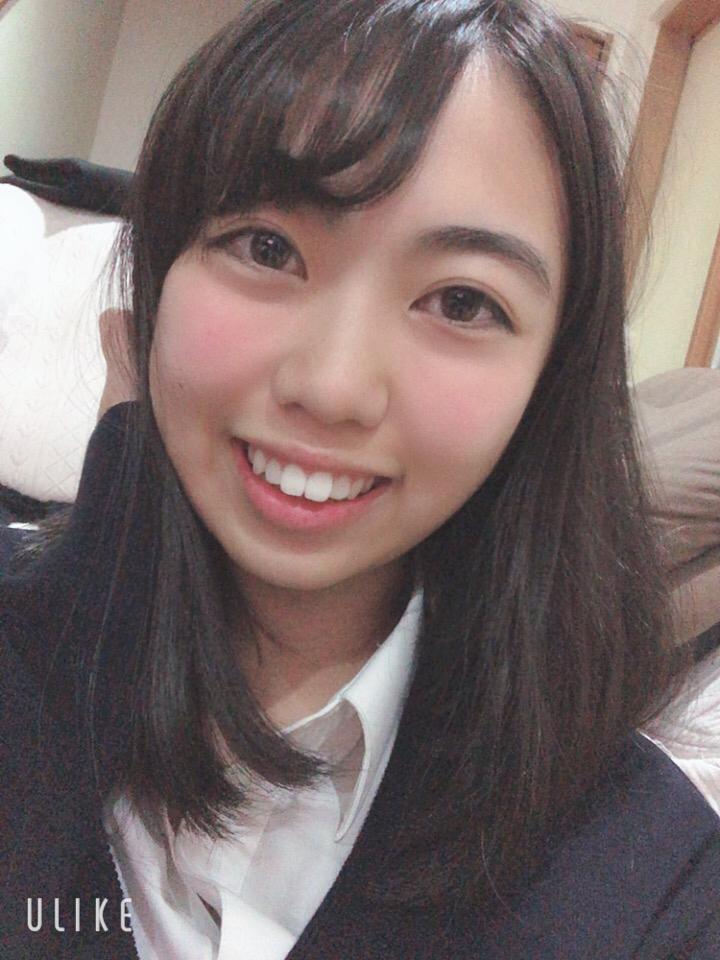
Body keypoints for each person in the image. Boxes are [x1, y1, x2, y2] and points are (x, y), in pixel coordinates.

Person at [1, 1, 718, 958]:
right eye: (267, 247)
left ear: (551, 381)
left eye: (461, 301)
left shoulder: (647, 875)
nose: (333, 387)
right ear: (157, 277)